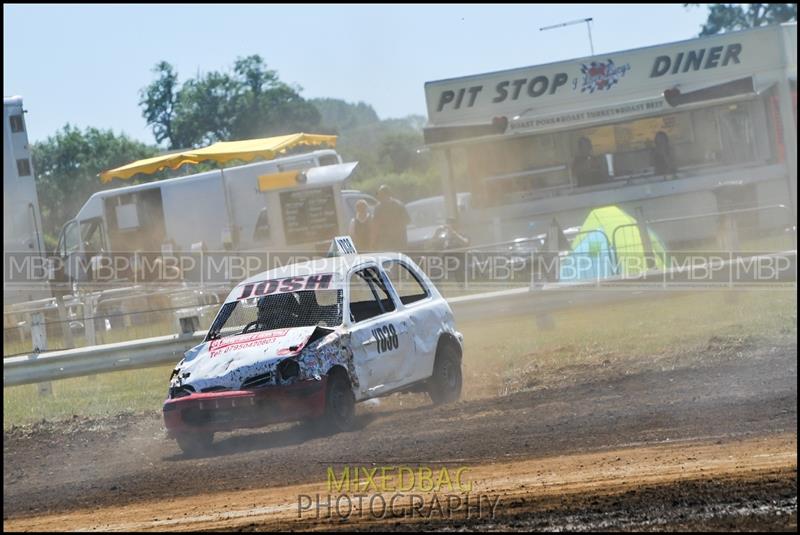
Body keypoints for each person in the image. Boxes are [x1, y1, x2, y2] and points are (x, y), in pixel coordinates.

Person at [372, 185, 411, 251]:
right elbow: (407, 221)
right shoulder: (379, 208)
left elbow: (407, 220)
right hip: (391, 241)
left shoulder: (379, 208)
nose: (379, 196)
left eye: (381, 194)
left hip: (393, 242)